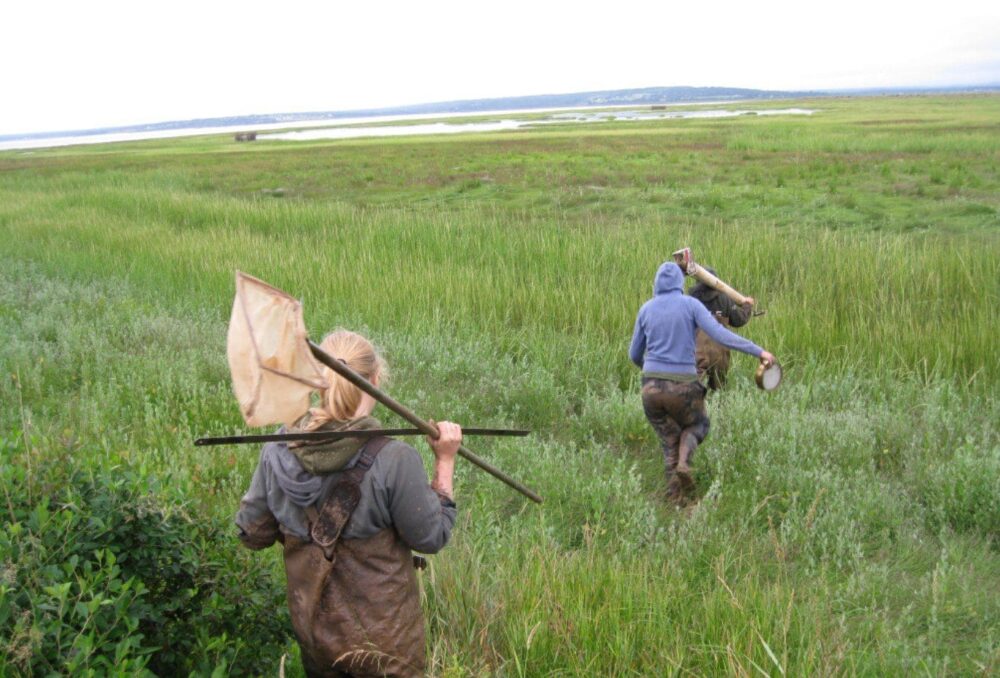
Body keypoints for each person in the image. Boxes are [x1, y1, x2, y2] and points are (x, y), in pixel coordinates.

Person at [235, 329, 461, 677]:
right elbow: (431, 537)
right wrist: (445, 463)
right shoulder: (395, 459)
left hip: (317, 642)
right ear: (375, 380)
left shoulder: (277, 450)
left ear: (316, 378)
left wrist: (297, 525)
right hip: (387, 651)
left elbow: (252, 534)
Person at [629, 262, 775, 505]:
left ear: (656, 283)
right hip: (684, 385)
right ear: (679, 283)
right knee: (697, 426)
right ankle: (685, 463)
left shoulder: (646, 309)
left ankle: (675, 497)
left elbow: (634, 355)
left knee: (669, 440)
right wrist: (759, 351)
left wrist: (654, 373)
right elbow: (722, 335)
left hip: (651, 389)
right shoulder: (690, 305)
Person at [688, 266, 755, 390]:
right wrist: (747, 307)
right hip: (719, 351)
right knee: (719, 391)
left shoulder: (691, 299)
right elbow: (738, 320)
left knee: (691, 389)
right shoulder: (724, 299)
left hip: (696, 351)